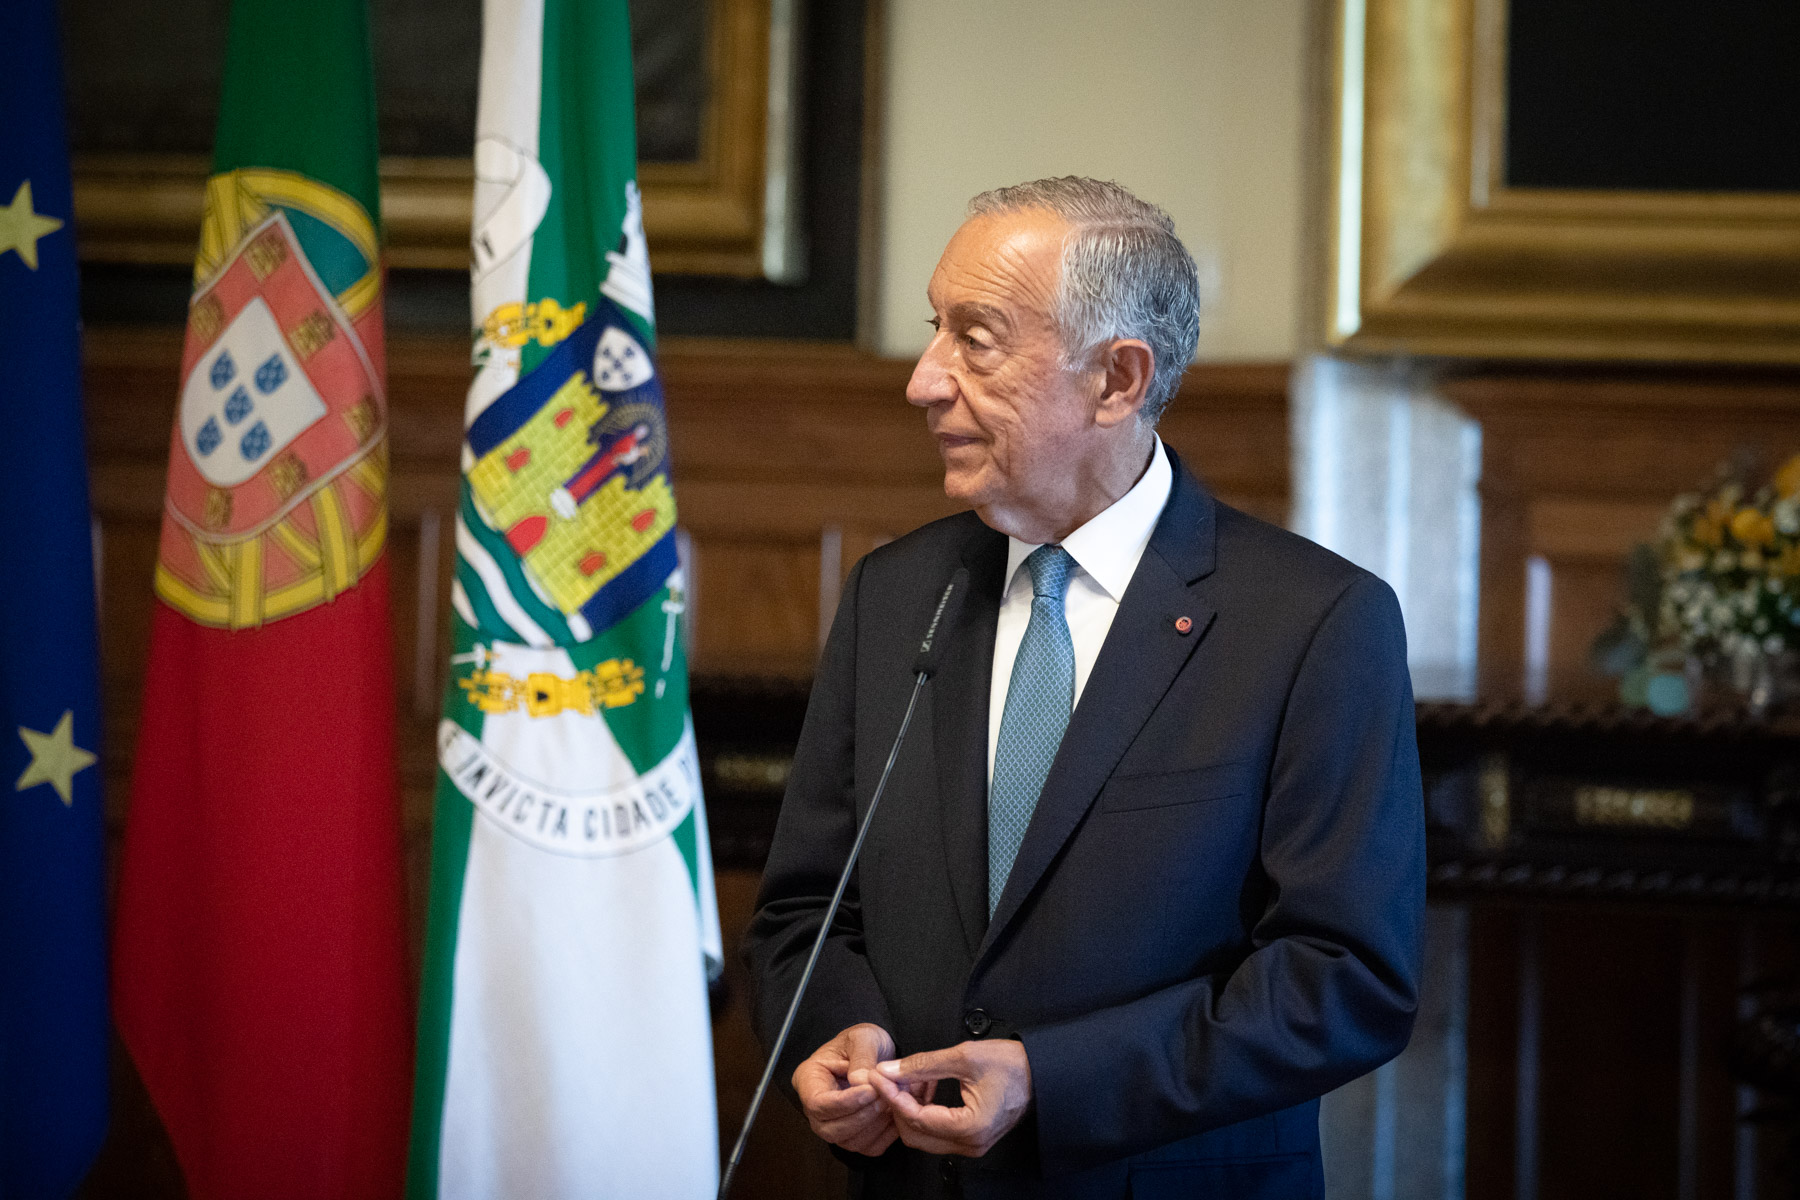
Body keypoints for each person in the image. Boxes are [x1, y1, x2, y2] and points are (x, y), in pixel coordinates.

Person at [744, 177, 1424, 1199]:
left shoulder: (1314, 622)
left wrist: (1052, 1082)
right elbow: (804, 909)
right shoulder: (896, 594)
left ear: (1117, 379)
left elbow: (1346, 978)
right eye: (935, 331)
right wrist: (839, 1033)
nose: (924, 381)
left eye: (976, 341)